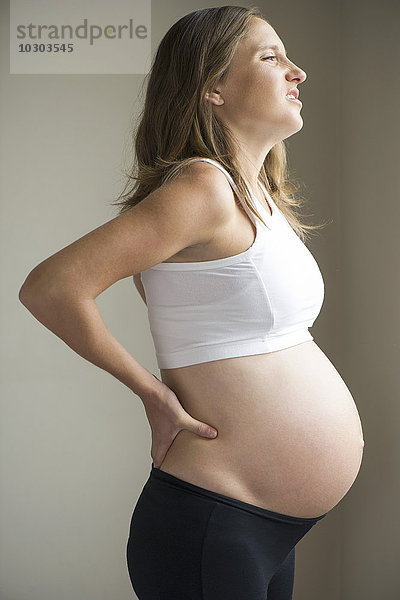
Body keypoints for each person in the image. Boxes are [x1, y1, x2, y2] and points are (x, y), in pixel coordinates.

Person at [19, 6, 365, 599]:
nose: (298, 71)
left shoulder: (257, 195)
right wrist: (152, 393)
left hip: (263, 525)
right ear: (211, 87)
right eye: (271, 57)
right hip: (214, 521)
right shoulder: (203, 187)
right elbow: (52, 287)